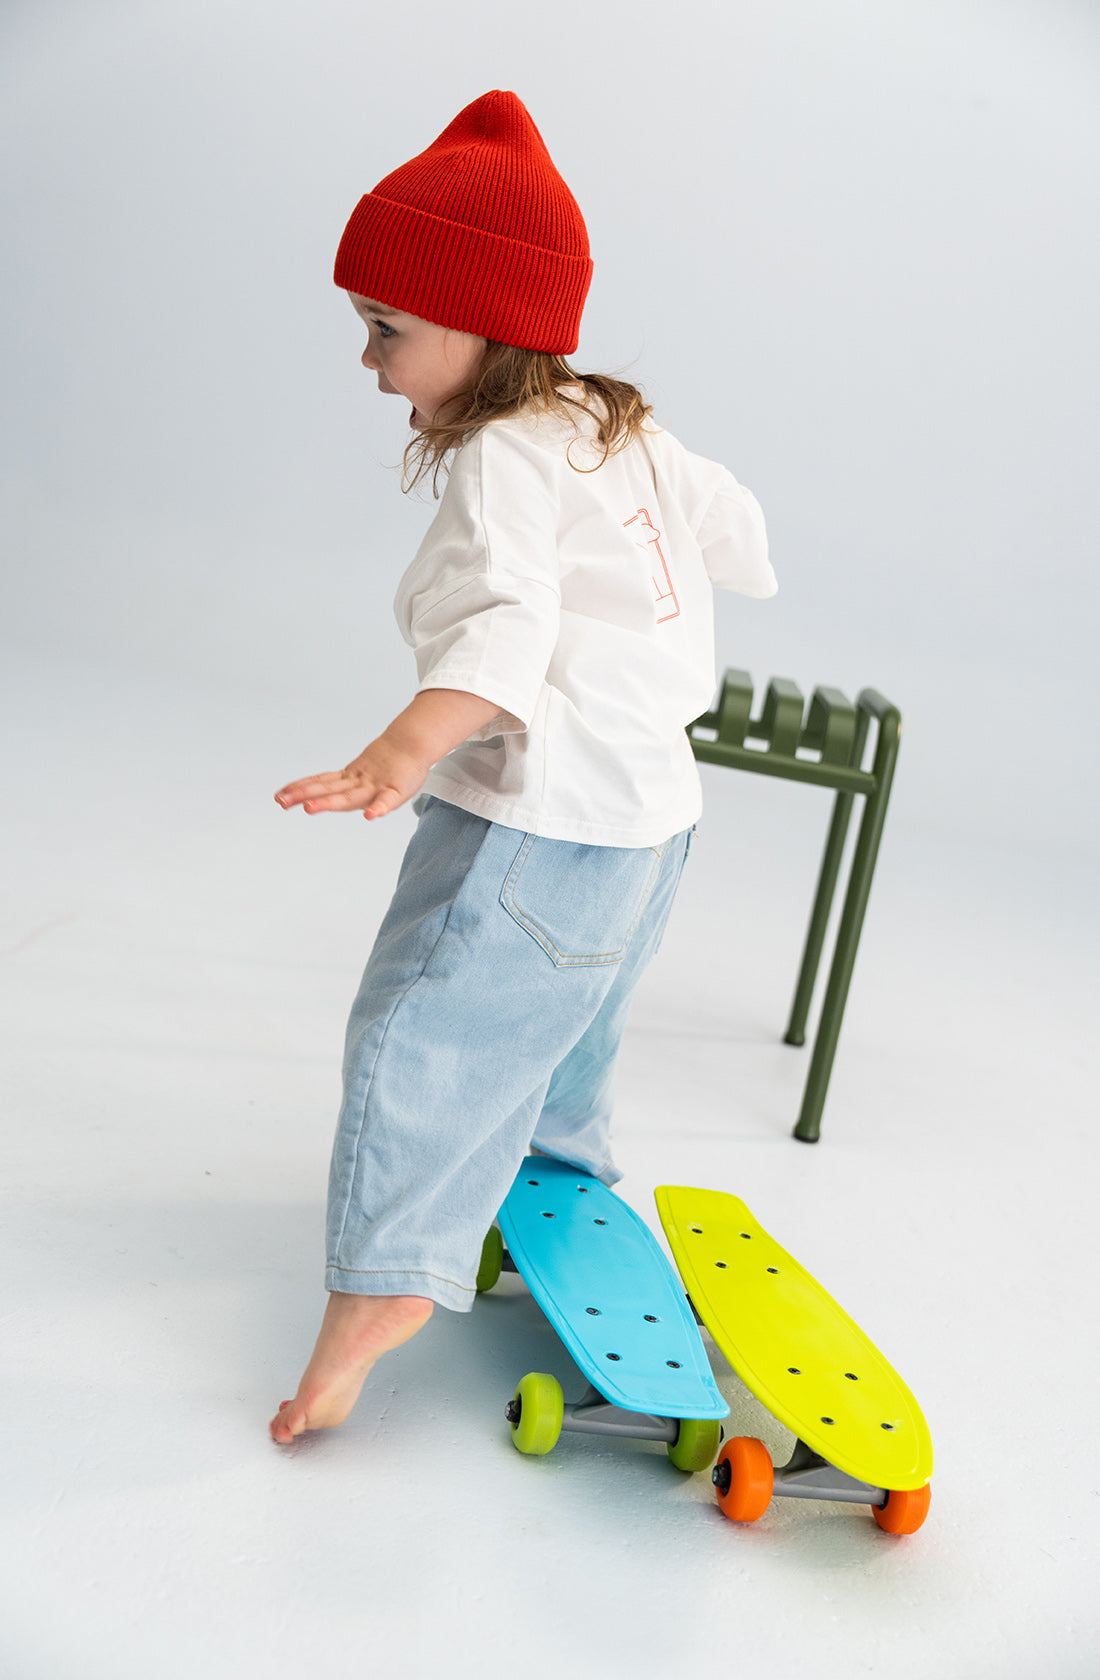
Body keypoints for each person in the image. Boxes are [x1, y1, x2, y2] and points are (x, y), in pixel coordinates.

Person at [269, 90, 776, 1444]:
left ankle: (385, 1288)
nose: (369, 359)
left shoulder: (501, 456)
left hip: (543, 817)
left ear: (486, 325)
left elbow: (506, 632)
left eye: (388, 328)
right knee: (560, 1032)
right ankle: (555, 1178)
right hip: (655, 818)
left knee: (421, 1030)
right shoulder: (615, 424)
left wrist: (397, 753)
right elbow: (735, 530)